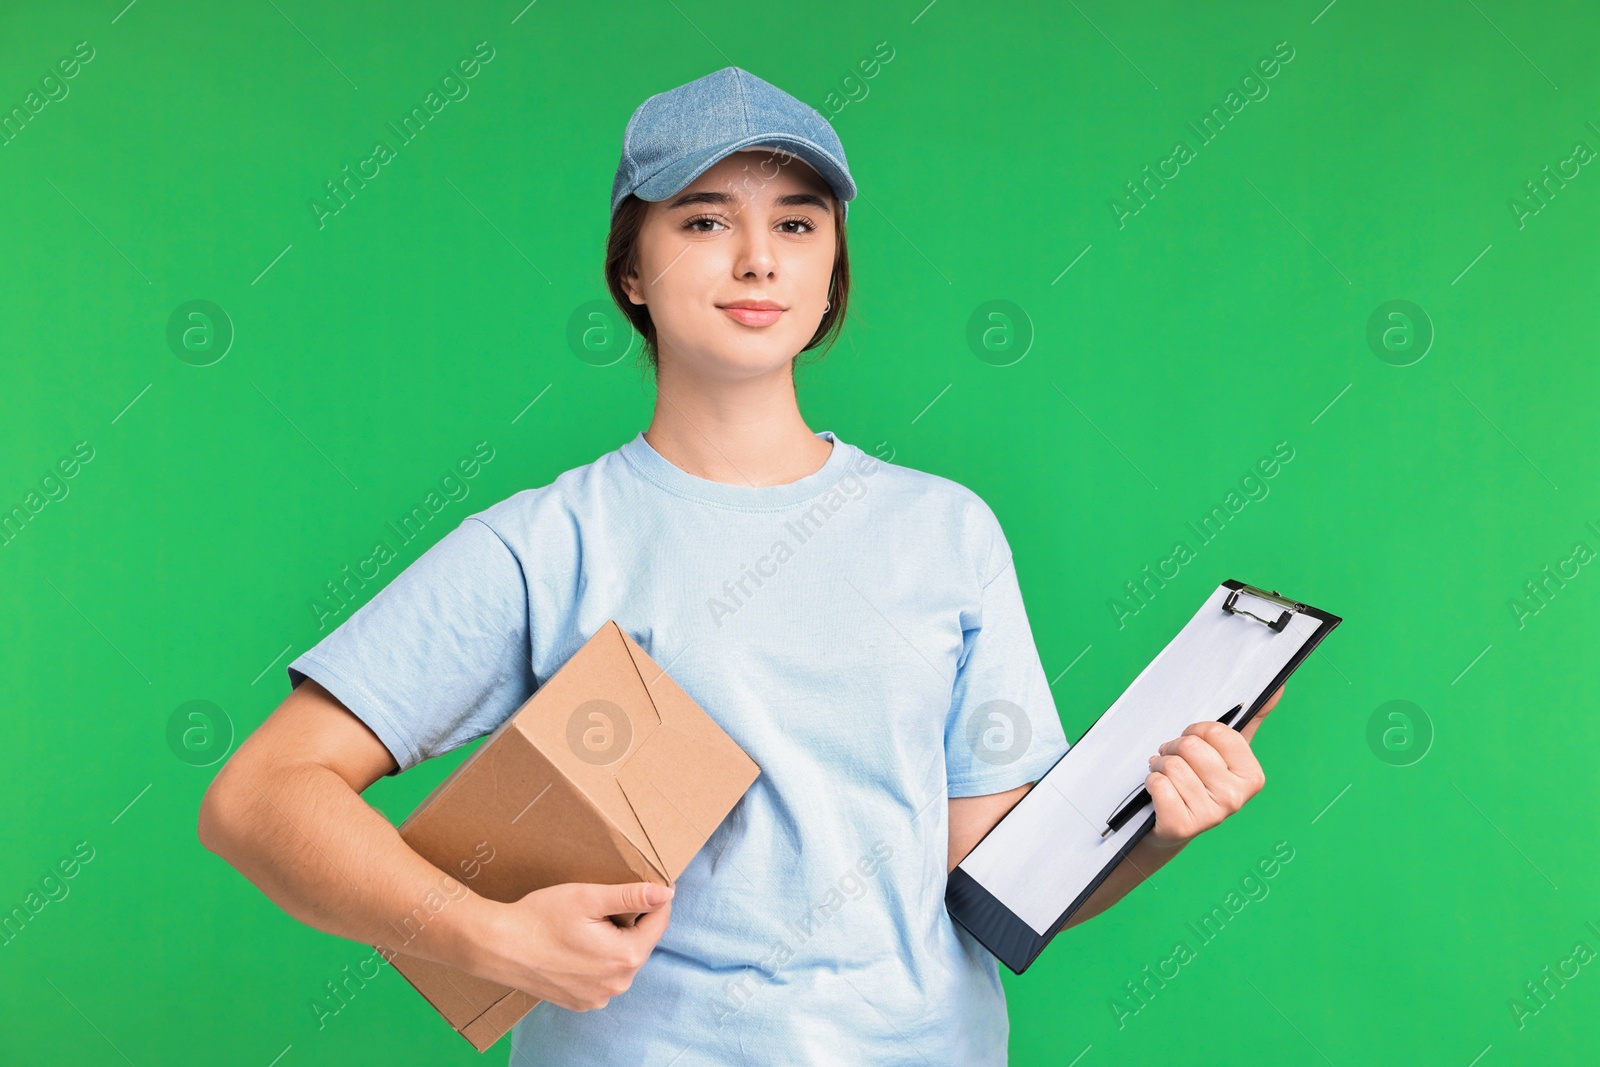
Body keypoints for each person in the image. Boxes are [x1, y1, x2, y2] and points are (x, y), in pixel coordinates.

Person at [197, 66, 1284, 1065]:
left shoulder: (946, 531)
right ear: (631, 268)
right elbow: (258, 797)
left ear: (828, 275)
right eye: (705, 219)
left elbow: (987, 882)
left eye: (796, 224)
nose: (757, 257)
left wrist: (1157, 830)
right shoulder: (543, 544)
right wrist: (489, 938)